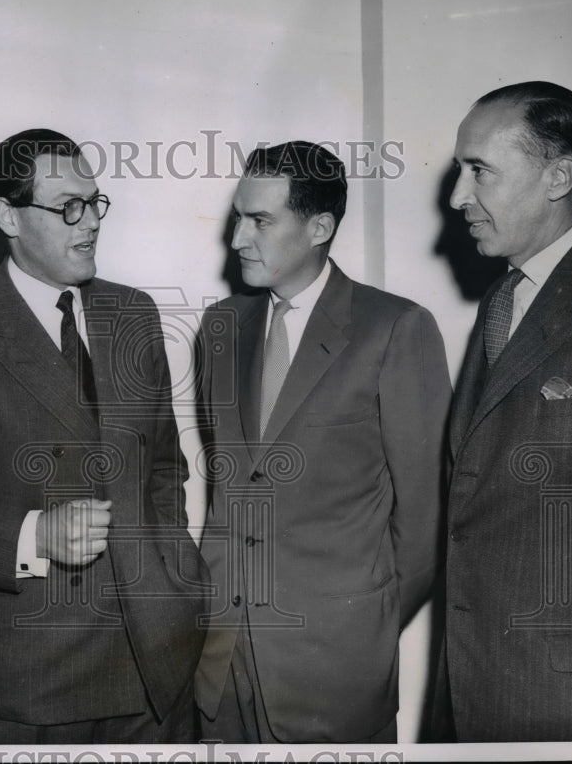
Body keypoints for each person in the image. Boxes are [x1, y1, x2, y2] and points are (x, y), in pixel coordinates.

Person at [0, 128, 208, 744]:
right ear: (9, 215)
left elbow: (165, 468)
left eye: (94, 203)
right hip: (23, 687)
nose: (88, 224)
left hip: (156, 671)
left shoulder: (133, 312)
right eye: (67, 207)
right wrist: (36, 536)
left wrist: (176, 582)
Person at [193, 140, 451, 743]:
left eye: (260, 220)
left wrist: (361, 625)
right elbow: (227, 492)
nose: (237, 238)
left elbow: (424, 522)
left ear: (319, 226)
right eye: (238, 216)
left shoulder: (395, 328)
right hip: (219, 657)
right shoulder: (220, 326)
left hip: (332, 667)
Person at [439, 81, 572, 741]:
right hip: (472, 685)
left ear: (559, 176)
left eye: (480, 171)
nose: (459, 197)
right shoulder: (499, 305)